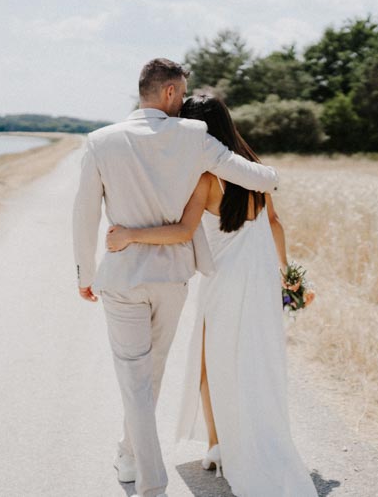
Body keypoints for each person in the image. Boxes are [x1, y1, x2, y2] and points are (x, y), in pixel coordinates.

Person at [72, 59, 279, 497]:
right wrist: (270, 175)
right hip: (172, 277)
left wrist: (84, 275)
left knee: (135, 378)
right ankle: (129, 454)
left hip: (123, 277)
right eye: (181, 93)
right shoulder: (195, 138)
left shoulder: (100, 141)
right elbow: (259, 179)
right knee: (150, 374)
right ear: (168, 93)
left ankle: (151, 484)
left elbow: (84, 216)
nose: (182, 102)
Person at [106, 93, 317, 497]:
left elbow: (183, 231)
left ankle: (220, 445)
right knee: (256, 362)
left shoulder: (206, 177)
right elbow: (274, 222)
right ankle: (248, 441)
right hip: (257, 278)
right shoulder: (253, 169)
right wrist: (287, 273)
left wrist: (130, 234)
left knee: (210, 364)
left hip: (224, 281)